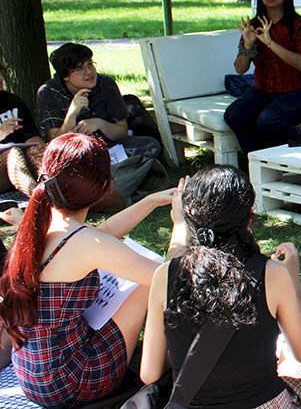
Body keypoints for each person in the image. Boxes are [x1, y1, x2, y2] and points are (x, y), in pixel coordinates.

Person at [0, 133, 182, 407]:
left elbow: (101, 233)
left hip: (33, 374)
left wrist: (150, 201)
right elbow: (171, 277)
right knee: (149, 283)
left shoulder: (44, 224)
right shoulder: (85, 242)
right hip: (70, 383)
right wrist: (180, 224)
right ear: (102, 187)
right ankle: (156, 366)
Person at [140, 165, 301, 408]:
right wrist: (294, 282)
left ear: (189, 217)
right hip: (265, 404)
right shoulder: (272, 274)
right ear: (248, 216)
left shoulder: (165, 275)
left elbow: (149, 373)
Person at [223, 0, 301, 153]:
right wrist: (248, 46)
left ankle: (300, 143)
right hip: (262, 92)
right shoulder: (254, 25)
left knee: (267, 119)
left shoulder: (298, 24)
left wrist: (270, 42)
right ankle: (258, 161)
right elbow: (240, 69)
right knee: (234, 115)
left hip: (297, 93)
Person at [37, 43, 161, 159]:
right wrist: (72, 114)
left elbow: (122, 132)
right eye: (80, 69)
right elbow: (56, 144)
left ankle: (109, 167)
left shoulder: (106, 85)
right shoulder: (49, 92)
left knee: (151, 146)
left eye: (90, 64)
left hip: (109, 146)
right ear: (65, 76)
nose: (89, 72)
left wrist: (100, 124)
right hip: (74, 151)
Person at [0, 90, 45, 197]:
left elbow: (31, 136)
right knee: (13, 153)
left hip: (21, 163)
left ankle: (60, 192)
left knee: (35, 151)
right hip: (6, 163)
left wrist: (42, 149)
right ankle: (40, 200)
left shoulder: (11, 100)